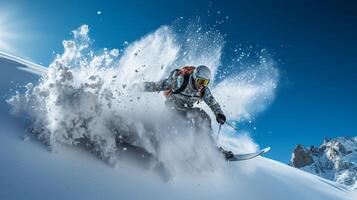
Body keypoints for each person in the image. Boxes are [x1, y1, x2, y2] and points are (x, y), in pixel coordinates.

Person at [142, 65, 233, 159]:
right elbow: (158, 85)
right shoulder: (180, 81)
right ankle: (159, 141)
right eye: (200, 81)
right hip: (172, 108)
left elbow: (213, 103)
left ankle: (209, 148)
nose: (202, 85)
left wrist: (219, 114)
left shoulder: (204, 90)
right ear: (194, 77)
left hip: (185, 110)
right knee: (183, 123)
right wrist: (139, 87)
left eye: (205, 82)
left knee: (202, 115)